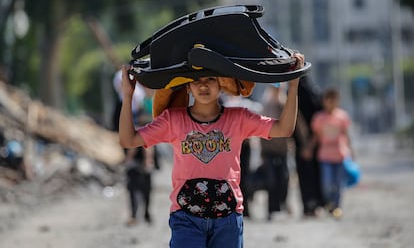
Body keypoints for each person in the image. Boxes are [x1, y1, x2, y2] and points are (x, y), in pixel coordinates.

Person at [119, 53, 304, 248]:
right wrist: (128, 95)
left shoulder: (238, 118)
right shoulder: (173, 120)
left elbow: (284, 129)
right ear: (188, 86)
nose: (203, 85)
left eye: (210, 79)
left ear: (222, 84)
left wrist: (293, 86)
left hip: (228, 218)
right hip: (186, 218)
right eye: (196, 80)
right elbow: (128, 139)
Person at [112, 70, 156, 226]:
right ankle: (134, 213)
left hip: (144, 145)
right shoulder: (120, 103)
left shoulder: (142, 98)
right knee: (132, 183)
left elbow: (151, 119)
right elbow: (117, 127)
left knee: (146, 183)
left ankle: (146, 212)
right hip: (132, 148)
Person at [305, 87, 354, 219]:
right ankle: (329, 203)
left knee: (338, 184)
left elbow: (346, 135)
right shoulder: (319, 117)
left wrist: (352, 152)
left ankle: (337, 207)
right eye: (328, 100)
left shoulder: (342, 116)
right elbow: (315, 136)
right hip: (325, 155)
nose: (331, 103)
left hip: (340, 155)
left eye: (333, 100)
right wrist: (309, 148)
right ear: (324, 101)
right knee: (326, 183)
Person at [292, 76, 325, 217]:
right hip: (313, 142)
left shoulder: (295, 92)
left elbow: (296, 118)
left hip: (305, 143)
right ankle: (314, 205)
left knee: (307, 175)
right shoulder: (314, 92)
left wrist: (307, 145)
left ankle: (309, 206)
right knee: (314, 174)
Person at [258, 83, 291, 220]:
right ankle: (271, 209)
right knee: (270, 181)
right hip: (268, 151)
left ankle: (282, 205)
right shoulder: (266, 105)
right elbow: (261, 127)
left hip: (282, 150)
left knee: (284, 179)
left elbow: (290, 124)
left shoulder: (284, 103)